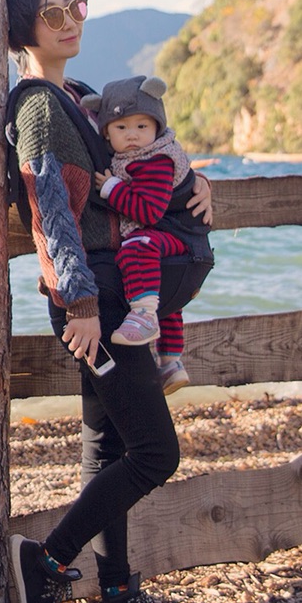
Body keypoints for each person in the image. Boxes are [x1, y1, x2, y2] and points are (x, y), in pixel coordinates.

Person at [0, 0, 211, 603]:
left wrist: (195, 178)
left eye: (74, 7)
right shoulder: (38, 108)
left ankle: (117, 597)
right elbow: (51, 209)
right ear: (21, 31)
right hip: (94, 298)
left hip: (112, 292)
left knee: (108, 444)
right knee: (154, 453)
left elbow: (144, 151)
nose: (70, 21)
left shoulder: (82, 101)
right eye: (51, 13)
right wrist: (82, 304)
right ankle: (46, 561)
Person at [84, 74, 213, 394]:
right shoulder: (137, 157)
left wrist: (112, 188)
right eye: (121, 128)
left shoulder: (156, 160)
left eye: (142, 126)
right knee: (164, 297)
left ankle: (142, 316)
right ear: (106, 132)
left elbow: (149, 212)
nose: (132, 136)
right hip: (180, 240)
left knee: (137, 247)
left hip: (180, 237)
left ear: (157, 127)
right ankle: (170, 362)